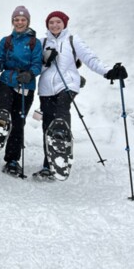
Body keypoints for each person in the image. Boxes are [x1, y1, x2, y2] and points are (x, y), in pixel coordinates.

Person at [35, 11, 128, 178]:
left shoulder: (72, 40)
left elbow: (90, 59)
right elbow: (35, 67)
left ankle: (62, 150)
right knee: (48, 125)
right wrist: (45, 61)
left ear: (64, 24)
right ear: (47, 25)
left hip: (68, 84)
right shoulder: (41, 43)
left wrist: (108, 72)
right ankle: (49, 165)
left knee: (61, 114)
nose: (55, 25)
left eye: (58, 22)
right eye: (51, 23)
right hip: (46, 89)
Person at [0, 6, 42, 176]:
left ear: (28, 22)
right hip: (7, 82)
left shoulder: (34, 43)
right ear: (12, 22)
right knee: (1, 114)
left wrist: (31, 74)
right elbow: (1, 61)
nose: (19, 22)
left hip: (26, 85)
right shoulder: (6, 41)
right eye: (16, 19)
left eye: (23, 20)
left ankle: (12, 160)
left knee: (18, 122)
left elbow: (37, 64)